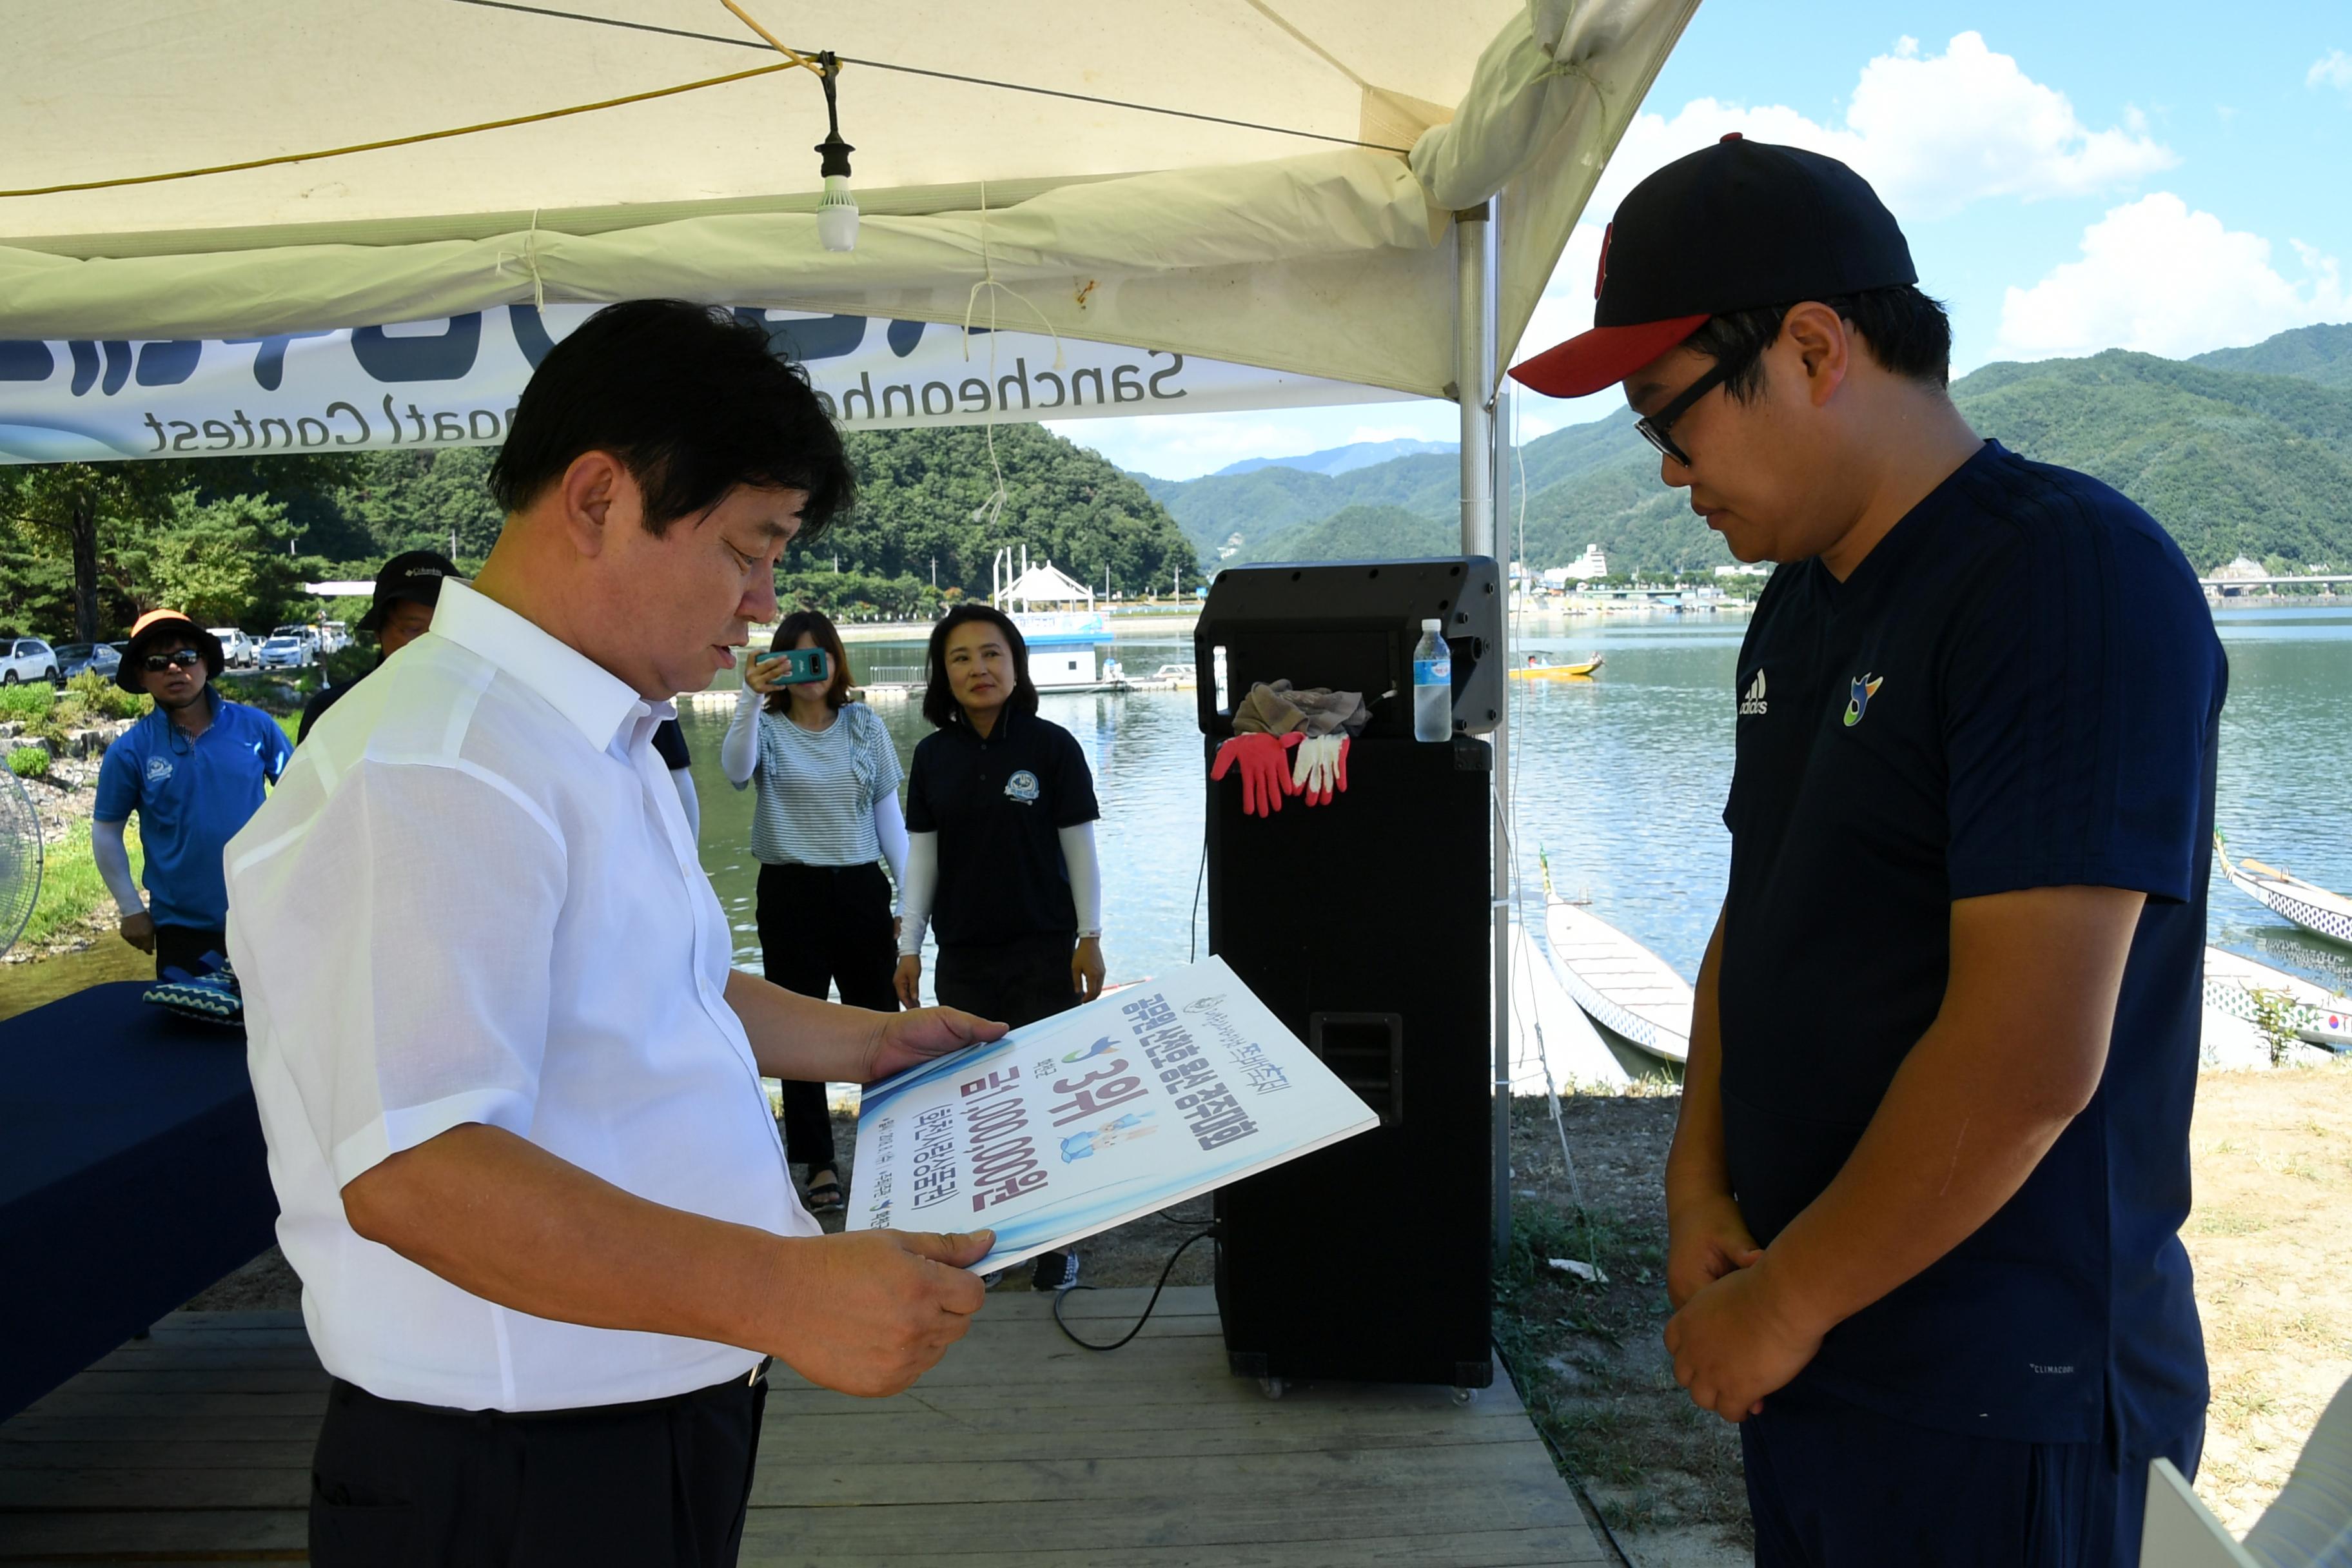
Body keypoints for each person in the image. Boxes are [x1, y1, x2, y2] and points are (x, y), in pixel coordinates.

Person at [1509, 135, 2224, 1565]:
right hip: (1821, 1345)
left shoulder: (2061, 579)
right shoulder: (1801, 601)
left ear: (1816, 347)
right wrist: (1697, 1183)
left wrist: (1782, 1306)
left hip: (2001, 1390)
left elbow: (2027, 1056)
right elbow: (1756, 920)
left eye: (1671, 416)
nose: (1663, 472)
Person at [224, 300, 1003, 1568]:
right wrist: (783, 1287)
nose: (762, 604)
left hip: (648, 1408)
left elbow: (671, 987)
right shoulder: (438, 764)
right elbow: (418, 1171)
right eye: (750, 547)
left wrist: (875, 1044)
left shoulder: (594, 731)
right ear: (598, 500)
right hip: (518, 1466)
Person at [894, 603, 1104, 1290]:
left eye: (992, 653)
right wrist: (909, 945)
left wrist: (1091, 935)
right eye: (960, 657)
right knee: (975, 1104)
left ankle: (1057, 1242)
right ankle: (982, 1242)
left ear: (1016, 664)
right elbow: (919, 861)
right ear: (942, 675)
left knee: (1046, 1096)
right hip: (964, 956)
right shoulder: (932, 757)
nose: (978, 668)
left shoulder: (1052, 747)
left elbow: (1081, 852)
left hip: (1045, 951)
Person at [722, 609, 907, 1214]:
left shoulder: (864, 725)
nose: (809, 671)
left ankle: (894, 1143)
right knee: (797, 1028)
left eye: (818, 657)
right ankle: (818, 1162)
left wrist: (911, 904)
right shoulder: (767, 728)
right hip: (790, 893)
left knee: (880, 1020)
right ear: (777, 665)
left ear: (836, 661)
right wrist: (750, 699)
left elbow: (890, 822)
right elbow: (734, 771)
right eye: (794, 659)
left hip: (859, 890)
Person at [92, 609, 293, 979]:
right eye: (157, 662)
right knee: (190, 1030)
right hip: (181, 928)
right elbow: (106, 832)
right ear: (141, 674)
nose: (173, 669)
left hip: (264, 915)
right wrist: (130, 908)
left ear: (205, 663)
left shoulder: (256, 727)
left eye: (185, 657)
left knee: (276, 1030)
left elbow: (304, 798)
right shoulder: (129, 752)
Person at [297, 549, 455, 742]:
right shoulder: (331, 712)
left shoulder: (489, 707)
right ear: (378, 633)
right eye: (414, 629)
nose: (433, 642)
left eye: (446, 627)